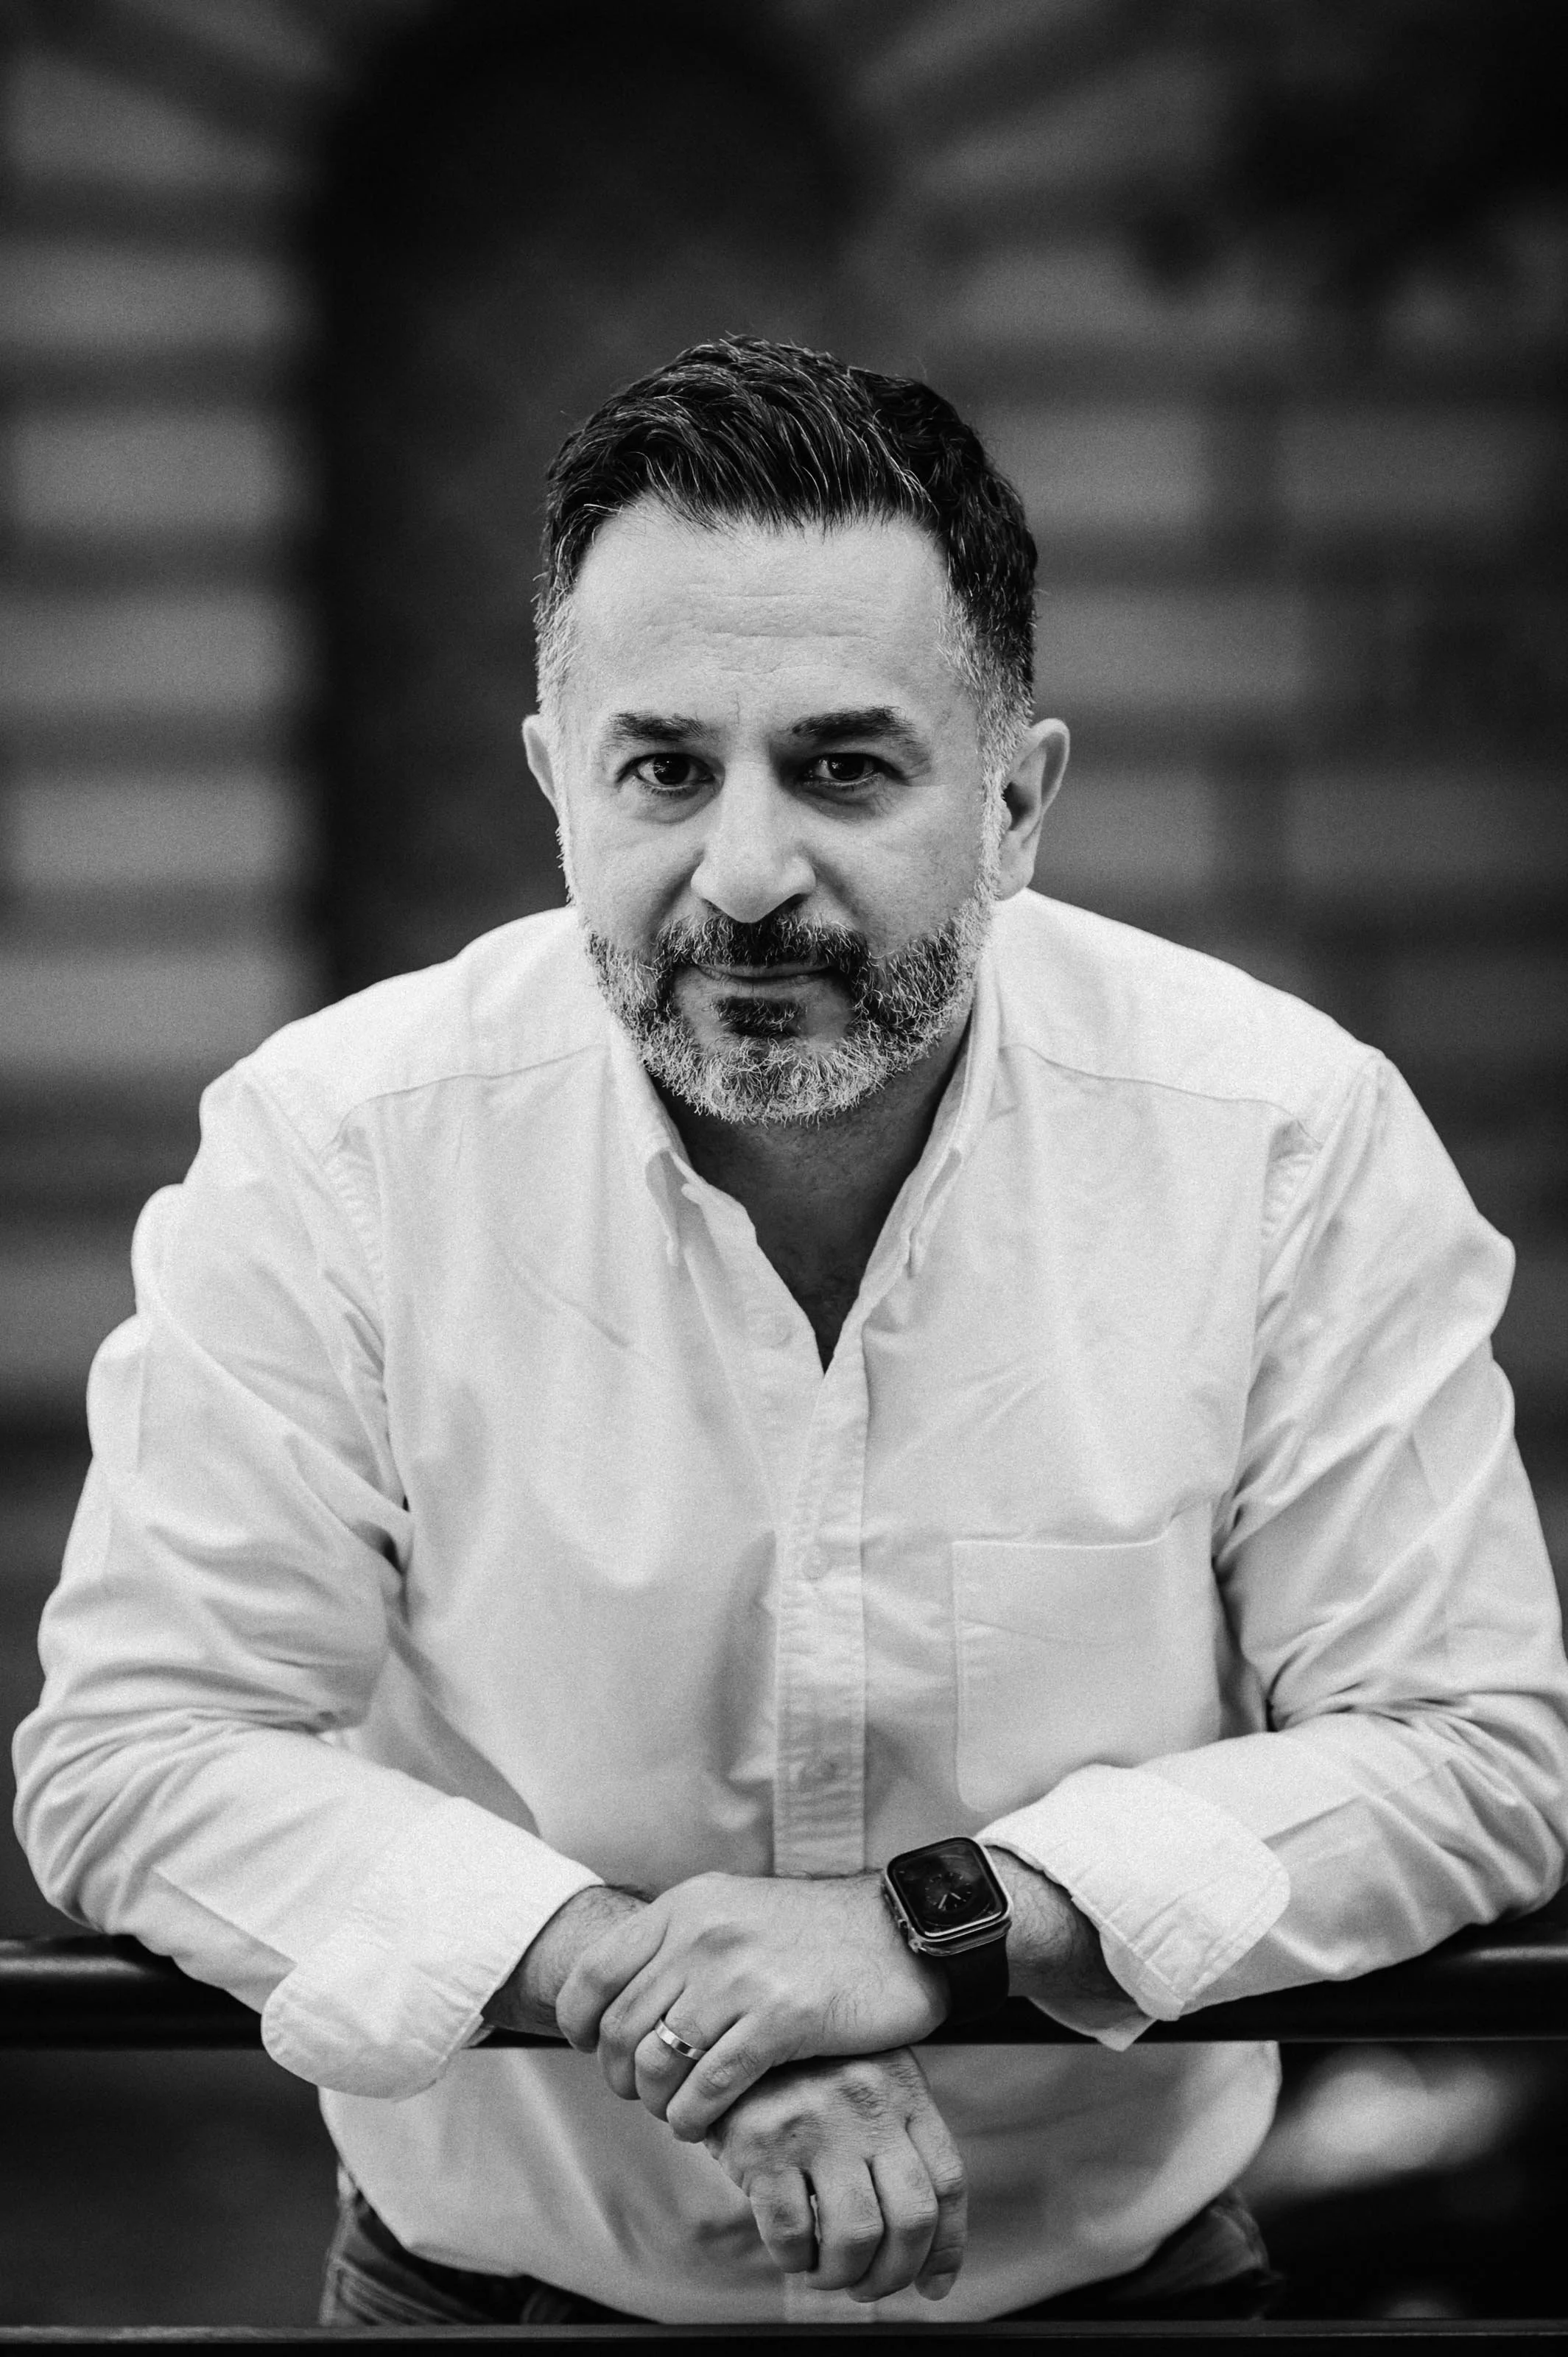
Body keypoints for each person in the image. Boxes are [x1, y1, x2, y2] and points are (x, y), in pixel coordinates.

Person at [14, 337, 1568, 2330]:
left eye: (846, 767)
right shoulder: (333, 1155)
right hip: (490, 2304)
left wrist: (937, 1933)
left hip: (1117, 2302)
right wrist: (622, 1979)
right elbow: (137, 1756)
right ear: (554, 783)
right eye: (663, 769)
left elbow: (1474, 1749)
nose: (744, 878)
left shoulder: (1281, 1141)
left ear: (1018, 800)